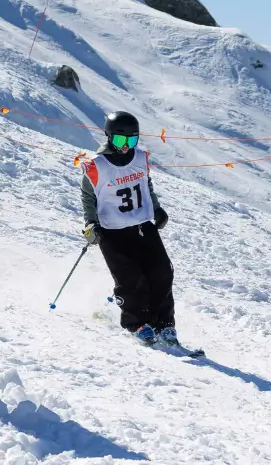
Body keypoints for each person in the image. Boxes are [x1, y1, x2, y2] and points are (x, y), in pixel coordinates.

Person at [80, 111, 190, 351]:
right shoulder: (96, 165)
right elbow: (88, 197)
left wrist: (156, 208)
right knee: (131, 278)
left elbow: (145, 184)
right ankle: (137, 323)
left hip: (142, 225)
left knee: (162, 271)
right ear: (109, 136)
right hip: (112, 231)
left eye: (132, 140)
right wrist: (90, 223)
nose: (126, 146)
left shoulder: (140, 157)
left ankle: (164, 324)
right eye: (121, 140)